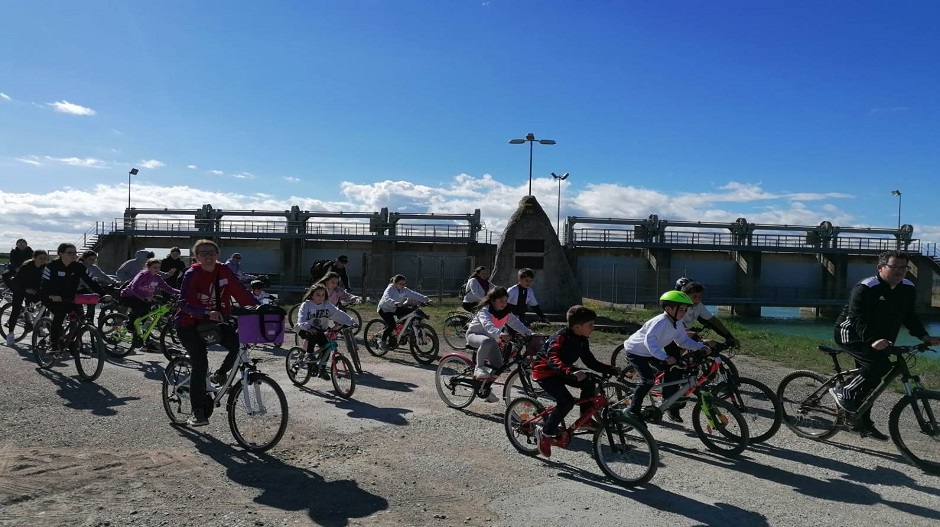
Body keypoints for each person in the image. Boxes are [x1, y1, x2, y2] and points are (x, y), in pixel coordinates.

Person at [830, 250, 940, 440]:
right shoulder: (866, 287)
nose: (900, 271)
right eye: (894, 266)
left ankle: (862, 423)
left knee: (872, 381)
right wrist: (872, 339)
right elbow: (858, 319)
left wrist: (924, 336)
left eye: (904, 267)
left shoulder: (907, 287)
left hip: (882, 338)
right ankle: (844, 390)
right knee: (877, 366)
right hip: (851, 333)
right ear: (880, 267)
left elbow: (909, 316)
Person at [174, 239, 258, 427]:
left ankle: (220, 374)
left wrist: (258, 305)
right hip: (189, 323)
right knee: (200, 362)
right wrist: (205, 312)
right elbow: (183, 303)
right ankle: (197, 411)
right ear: (196, 257)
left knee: (238, 344)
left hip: (216, 321)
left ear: (218, 255)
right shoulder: (192, 273)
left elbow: (239, 291)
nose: (208, 256)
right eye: (202, 253)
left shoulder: (224, 270)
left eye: (211, 252)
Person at [531, 305, 618, 457]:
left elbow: (590, 361)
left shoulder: (582, 340)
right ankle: (545, 434)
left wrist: (611, 369)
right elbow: (553, 359)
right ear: (577, 327)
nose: (593, 327)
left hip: (563, 371)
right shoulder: (560, 337)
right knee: (566, 402)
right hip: (545, 373)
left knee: (589, 382)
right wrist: (570, 372)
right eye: (590, 325)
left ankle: (585, 419)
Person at [623, 291, 712, 422]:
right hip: (636, 351)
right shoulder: (661, 322)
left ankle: (662, 396)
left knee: (673, 369)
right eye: (681, 309)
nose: (684, 312)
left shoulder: (677, 323)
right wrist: (663, 357)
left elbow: (683, 341)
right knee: (648, 380)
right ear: (668, 309)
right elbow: (650, 341)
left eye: (685, 309)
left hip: (650, 351)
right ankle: (633, 410)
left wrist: (701, 347)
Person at [465, 286, 533, 402]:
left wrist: (529, 333)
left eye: (506, 301)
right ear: (493, 300)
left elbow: (516, 324)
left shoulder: (505, 312)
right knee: (486, 340)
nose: (504, 304)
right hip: (474, 335)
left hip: (491, 340)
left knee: (498, 366)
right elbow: (488, 325)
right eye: (501, 301)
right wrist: (500, 334)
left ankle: (484, 388)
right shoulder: (485, 310)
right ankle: (479, 367)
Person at [40, 243, 111, 350]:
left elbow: (91, 281)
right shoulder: (51, 266)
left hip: (70, 298)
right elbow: (45, 284)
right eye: (70, 253)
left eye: (75, 252)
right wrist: (53, 295)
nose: (74, 255)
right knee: (60, 314)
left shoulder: (79, 266)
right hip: (51, 297)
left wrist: (103, 294)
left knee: (80, 317)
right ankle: (53, 344)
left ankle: (70, 340)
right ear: (61, 253)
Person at [121, 257, 180, 348]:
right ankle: (129, 324)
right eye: (154, 267)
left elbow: (167, 288)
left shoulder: (158, 277)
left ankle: (146, 343)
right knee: (139, 309)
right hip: (130, 296)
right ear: (148, 267)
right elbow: (134, 288)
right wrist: (145, 297)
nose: (157, 269)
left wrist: (181, 293)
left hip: (144, 299)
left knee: (147, 320)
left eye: (158, 268)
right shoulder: (143, 275)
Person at [295, 283, 355, 365]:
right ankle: (308, 354)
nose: (321, 297)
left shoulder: (326, 305)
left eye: (323, 295)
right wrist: (308, 327)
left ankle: (322, 369)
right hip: (304, 329)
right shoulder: (306, 305)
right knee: (312, 335)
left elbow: (338, 313)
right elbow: (301, 319)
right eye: (318, 295)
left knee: (326, 347)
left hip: (320, 330)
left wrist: (351, 322)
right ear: (312, 295)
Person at [675, 278, 740, 348]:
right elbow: (677, 327)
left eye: (699, 297)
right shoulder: (678, 307)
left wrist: (729, 336)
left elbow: (712, 320)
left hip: (686, 334)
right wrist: (698, 339)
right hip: (673, 336)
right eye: (694, 297)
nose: (697, 299)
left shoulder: (698, 305)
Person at [376, 274, 430, 350]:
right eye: (401, 284)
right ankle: (382, 341)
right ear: (395, 283)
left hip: (396, 307)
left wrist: (426, 299)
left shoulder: (404, 289)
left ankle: (402, 330)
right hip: (385, 309)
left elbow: (414, 294)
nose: (403, 285)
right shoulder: (390, 288)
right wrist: (394, 303)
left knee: (411, 312)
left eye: (404, 284)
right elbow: (386, 298)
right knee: (391, 325)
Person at [5, 250, 47, 346]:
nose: (43, 260)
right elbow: (16, 282)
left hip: (34, 289)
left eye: (45, 258)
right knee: (16, 309)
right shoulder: (26, 267)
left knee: (43, 305)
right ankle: (10, 334)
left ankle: (39, 326)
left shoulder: (45, 267)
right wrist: (25, 289)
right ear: (34, 258)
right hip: (20, 288)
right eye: (40, 258)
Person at [80, 250, 119, 324]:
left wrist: (115, 282)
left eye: (94, 260)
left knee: (92, 303)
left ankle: (90, 322)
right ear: (84, 258)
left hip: (87, 289)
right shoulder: (79, 266)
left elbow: (103, 276)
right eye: (90, 259)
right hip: (77, 289)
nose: (92, 261)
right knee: (78, 310)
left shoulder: (94, 268)